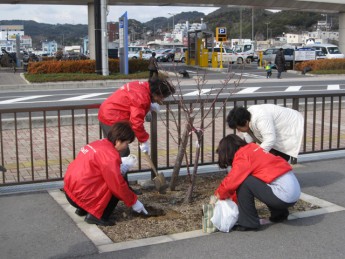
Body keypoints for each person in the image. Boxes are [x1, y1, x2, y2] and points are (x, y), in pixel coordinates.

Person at [64, 121, 148, 226]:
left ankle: (83, 209)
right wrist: (134, 202)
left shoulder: (100, 143)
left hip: (70, 190)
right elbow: (118, 185)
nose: (126, 147)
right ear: (118, 141)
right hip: (80, 196)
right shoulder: (110, 156)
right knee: (117, 187)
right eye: (126, 143)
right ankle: (95, 217)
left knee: (110, 179)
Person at [215, 134, 301, 231]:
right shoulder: (253, 148)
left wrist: (218, 194)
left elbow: (231, 182)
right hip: (294, 192)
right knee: (261, 180)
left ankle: (249, 223)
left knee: (245, 181)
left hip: (284, 195)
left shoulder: (243, 156)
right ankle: (279, 214)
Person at [98, 78, 175, 157]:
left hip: (107, 113)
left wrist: (149, 105)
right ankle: (116, 168)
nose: (161, 100)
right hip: (112, 117)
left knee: (111, 149)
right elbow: (136, 122)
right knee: (121, 151)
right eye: (161, 97)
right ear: (155, 94)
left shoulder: (143, 86)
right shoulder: (141, 97)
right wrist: (143, 140)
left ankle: (110, 167)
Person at [227, 104, 304, 162]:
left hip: (289, 124)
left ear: (245, 122)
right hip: (276, 129)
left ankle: (280, 176)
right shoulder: (246, 117)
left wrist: (254, 155)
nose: (239, 131)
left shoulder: (261, 117)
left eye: (238, 128)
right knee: (268, 152)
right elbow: (249, 140)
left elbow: (270, 140)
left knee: (280, 154)